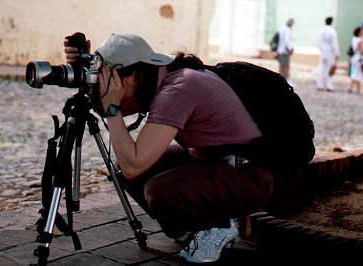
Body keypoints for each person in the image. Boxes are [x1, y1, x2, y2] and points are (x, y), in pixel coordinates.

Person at [64, 33, 275, 263]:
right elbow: (129, 166)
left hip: (250, 176)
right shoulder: (167, 79)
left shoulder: (177, 91)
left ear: (134, 76)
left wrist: (112, 109)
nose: (109, 90)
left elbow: (133, 164)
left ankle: (217, 228)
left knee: (158, 190)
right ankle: (192, 227)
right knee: (124, 169)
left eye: (113, 82)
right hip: (215, 161)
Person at [316, 17, 340, 92]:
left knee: (321, 68)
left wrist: (322, 50)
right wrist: (337, 52)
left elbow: (318, 43)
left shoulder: (321, 31)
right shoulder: (332, 31)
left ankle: (320, 84)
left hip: (323, 52)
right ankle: (329, 85)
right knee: (329, 69)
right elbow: (334, 43)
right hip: (330, 52)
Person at [276, 18, 295, 87]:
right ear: (290, 24)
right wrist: (291, 48)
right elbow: (287, 40)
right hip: (285, 51)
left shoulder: (281, 29)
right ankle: (288, 81)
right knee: (287, 66)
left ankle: (278, 79)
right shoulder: (287, 30)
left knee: (281, 66)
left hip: (280, 50)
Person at [348, 26, 363, 94]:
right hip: (358, 58)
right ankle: (359, 89)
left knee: (355, 73)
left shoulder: (354, 39)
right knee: (358, 74)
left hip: (353, 58)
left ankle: (351, 87)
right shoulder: (359, 40)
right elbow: (361, 51)